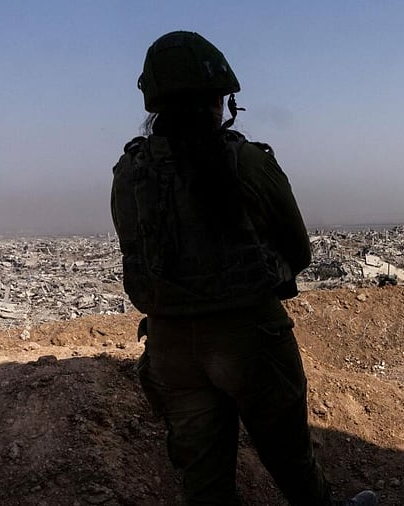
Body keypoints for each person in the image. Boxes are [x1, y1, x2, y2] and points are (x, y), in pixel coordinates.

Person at [110, 31, 377, 506]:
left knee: (204, 484)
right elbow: (298, 250)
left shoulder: (130, 173)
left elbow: (136, 254)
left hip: (171, 346)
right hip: (251, 339)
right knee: (293, 464)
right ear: (220, 100)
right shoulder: (246, 161)